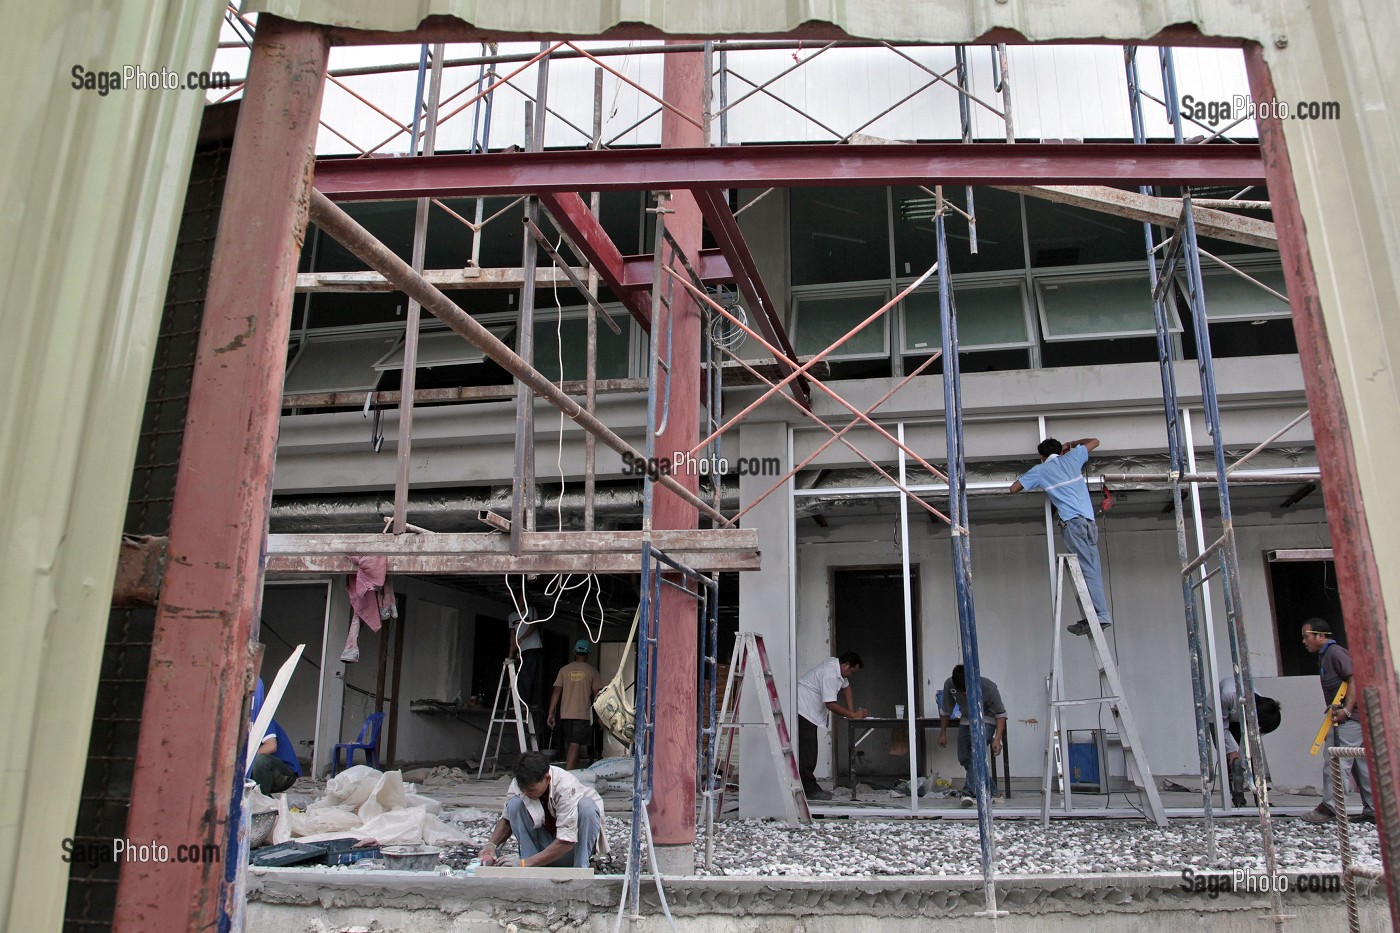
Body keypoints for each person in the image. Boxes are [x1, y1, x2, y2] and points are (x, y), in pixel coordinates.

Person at [1010, 436, 1111, 636]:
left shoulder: (1041, 470)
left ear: (1041, 455)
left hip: (1072, 524)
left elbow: (1013, 488)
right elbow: (1096, 441)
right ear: (1060, 450)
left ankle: (1100, 616)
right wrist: (1070, 445)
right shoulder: (1073, 457)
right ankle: (1099, 614)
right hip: (1089, 523)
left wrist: (1041, 480)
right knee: (1093, 569)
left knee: (1086, 571)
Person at [1299, 619, 1374, 824]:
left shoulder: (1335, 653)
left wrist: (1347, 711)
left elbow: (1355, 677)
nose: (1304, 641)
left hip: (1351, 718)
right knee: (1361, 764)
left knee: (1336, 758)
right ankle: (1375, 811)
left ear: (1320, 636)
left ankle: (1330, 806)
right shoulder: (1326, 656)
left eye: (1306, 636)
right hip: (1360, 717)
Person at [479, 751, 608, 868]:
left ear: (547, 779)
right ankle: (530, 865)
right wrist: (491, 845)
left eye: (530, 790)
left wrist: (524, 863)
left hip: (571, 850)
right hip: (542, 850)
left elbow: (567, 841)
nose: (526, 793)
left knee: (587, 807)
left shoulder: (566, 786)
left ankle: (580, 870)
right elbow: (507, 820)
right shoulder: (519, 784)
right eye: (523, 788)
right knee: (515, 804)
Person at [795, 652, 867, 801]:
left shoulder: (837, 668)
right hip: (803, 709)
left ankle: (808, 786)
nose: (851, 675)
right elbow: (830, 704)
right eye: (851, 671)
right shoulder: (829, 674)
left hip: (810, 710)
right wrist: (853, 715)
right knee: (808, 750)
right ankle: (808, 789)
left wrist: (851, 712)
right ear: (846, 664)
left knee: (809, 749)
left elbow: (846, 688)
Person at [937, 664, 1007, 807]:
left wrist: (997, 739)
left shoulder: (988, 687)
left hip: (986, 719)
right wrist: (942, 733)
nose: (963, 694)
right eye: (960, 691)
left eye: (965, 690)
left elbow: (1001, 714)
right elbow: (945, 711)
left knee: (976, 754)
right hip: (966, 719)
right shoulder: (949, 684)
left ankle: (968, 792)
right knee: (964, 756)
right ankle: (993, 792)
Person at [547, 639, 604, 770]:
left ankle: (571, 772)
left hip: (565, 714)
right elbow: (597, 696)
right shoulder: (592, 671)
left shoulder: (564, 670)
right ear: (588, 654)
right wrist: (601, 717)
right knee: (575, 744)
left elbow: (556, 691)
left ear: (575, 652)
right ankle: (568, 774)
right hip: (582, 715)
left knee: (571, 744)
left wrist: (551, 712)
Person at [249, 677, 301, 795]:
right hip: (261, 770)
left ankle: (262, 800)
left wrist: (244, 760)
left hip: (284, 772)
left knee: (259, 760)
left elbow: (271, 746)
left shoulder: (261, 716)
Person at [508, 607, 543, 724]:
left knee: (527, 674)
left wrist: (522, 638)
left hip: (533, 647)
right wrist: (511, 652)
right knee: (520, 675)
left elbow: (533, 626)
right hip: (521, 649)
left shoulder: (532, 610)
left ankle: (526, 703)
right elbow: (512, 635)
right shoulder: (512, 616)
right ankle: (521, 702)